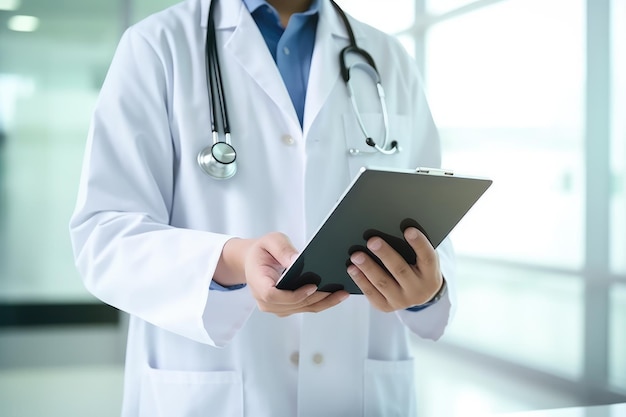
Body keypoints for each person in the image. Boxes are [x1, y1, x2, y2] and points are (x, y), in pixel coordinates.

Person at [69, 0, 456, 415]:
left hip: (359, 393)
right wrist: (232, 261)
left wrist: (427, 289)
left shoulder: (386, 56)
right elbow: (104, 235)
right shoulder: (156, 46)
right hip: (213, 392)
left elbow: (432, 226)